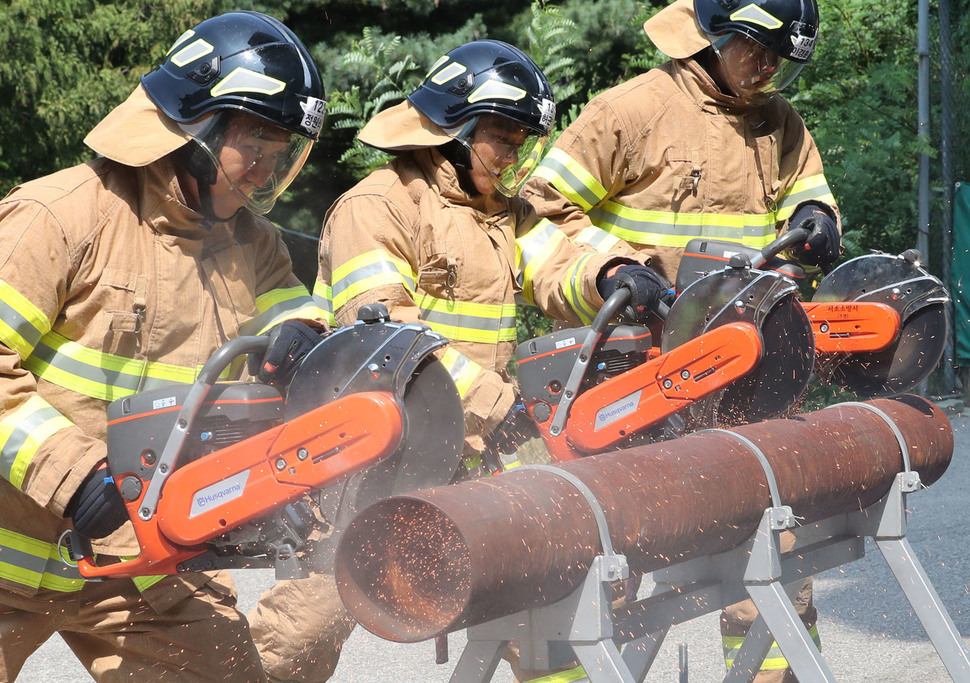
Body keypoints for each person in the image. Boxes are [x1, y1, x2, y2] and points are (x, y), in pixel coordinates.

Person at [246, 39, 664, 683]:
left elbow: (559, 261)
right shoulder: (378, 206)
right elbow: (390, 343)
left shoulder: (501, 214)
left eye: (523, 140)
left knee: (547, 600)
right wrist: (502, 408)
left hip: (475, 443)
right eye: (504, 137)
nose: (516, 155)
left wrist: (614, 272)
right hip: (372, 457)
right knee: (309, 622)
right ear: (454, 130)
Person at [0, 11, 328, 681]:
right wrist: (75, 473)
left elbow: (290, 305)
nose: (264, 176)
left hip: (143, 568)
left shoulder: (252, 241)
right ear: (199, 129)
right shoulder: (58, 216)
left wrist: (304, 330)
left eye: (279, 155)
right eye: (255, 148)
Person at [521, 0, 839, 680]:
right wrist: (613, 267)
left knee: (773, 559)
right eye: (758, 51)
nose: (769, 68)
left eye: (781, 58)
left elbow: (806, 189)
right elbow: (536, 218)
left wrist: (816, 216)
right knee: (594, 568)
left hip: (738, 380)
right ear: (717, 36)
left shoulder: (778, 120)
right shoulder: (628, 113)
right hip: (625, 382)